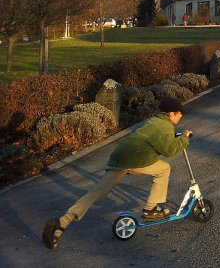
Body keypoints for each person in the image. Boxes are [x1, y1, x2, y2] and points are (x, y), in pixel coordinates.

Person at [42, 97, 192, 249]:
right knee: (164, 169)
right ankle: (151, 209)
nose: (181, 116)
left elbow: (152, 142)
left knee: (96, 193)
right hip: (133, 159)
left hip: (119, 158)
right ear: (171, 114)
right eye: (179, 113)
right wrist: (184, 138)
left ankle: (62, 223)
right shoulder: (164, 126)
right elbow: (170, 150)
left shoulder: (153, 122)